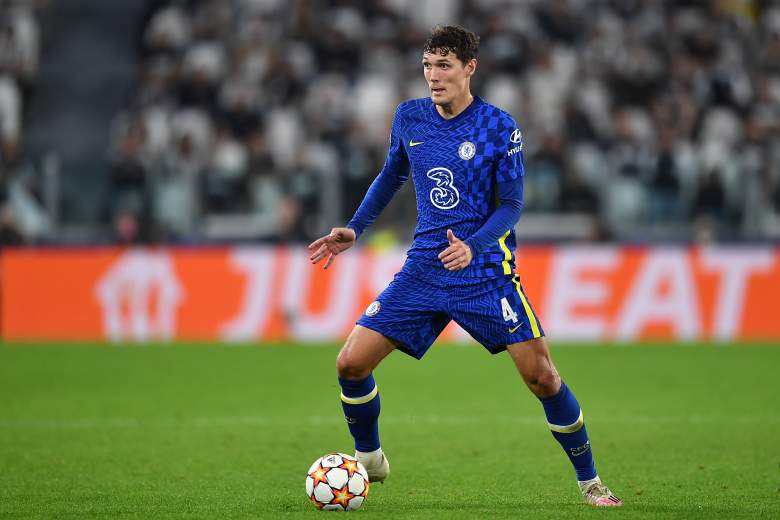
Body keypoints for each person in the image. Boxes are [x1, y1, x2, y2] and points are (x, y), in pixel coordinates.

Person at [308, 25, 622, 507]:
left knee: (542, 377)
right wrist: (355, 227)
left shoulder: (499, 127)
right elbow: (391, 175)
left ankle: (591, 483)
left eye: (444, 66)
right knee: (350, 364)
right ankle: (369, 457)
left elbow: (512, 205)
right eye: (428, 66)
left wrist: (474, 245)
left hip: (486, 272)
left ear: (469, 68)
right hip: (426, 269)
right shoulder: (410, 118)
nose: (433, 76)